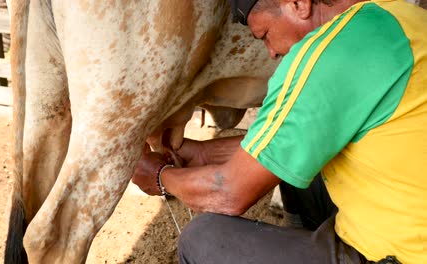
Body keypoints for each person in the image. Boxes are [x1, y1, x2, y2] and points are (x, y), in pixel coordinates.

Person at [132, 0, 427, 263]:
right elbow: (282, 142)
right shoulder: (399, 15)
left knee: (203, 240)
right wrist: (202, 152)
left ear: (298, 4)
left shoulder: (323, 59)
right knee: (295, 163)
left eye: (265, 35)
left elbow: (227, 193)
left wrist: (160, 178)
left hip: (400, 254)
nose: (272, 52)